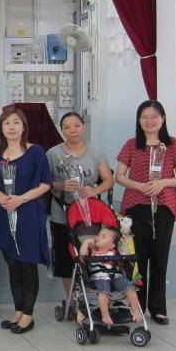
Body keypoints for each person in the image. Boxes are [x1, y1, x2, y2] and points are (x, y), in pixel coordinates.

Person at [115, 100, 176, 326]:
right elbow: (119, 176)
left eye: (154, 116)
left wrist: (162, 183)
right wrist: (138, 186)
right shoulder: (131, 145)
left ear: (162, 119)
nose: (149, 121)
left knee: (160, 258)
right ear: (139, 121)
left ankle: (158, 308)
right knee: (138, 259)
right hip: (137, 206)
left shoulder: (173, 144)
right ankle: (137, 306)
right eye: (144, 117)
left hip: (164, 207)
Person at [0, 108, 52, 334]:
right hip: (3, 214)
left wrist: (21, 199)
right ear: (1, 128)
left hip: (28, 214)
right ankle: (18, 310)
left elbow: (45, 183)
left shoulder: (35, 152)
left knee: (27, 263)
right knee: (12, 264)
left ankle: (28, 315)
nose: (12, 127)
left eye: (16, 122)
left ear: (24, 126)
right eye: (7, 123)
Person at [46, 112, 114, 311]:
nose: (72, 130)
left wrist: (94, 190)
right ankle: (72, 301)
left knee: (92, 256)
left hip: (90, 217)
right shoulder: (53, 154)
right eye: (67, 127)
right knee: (65, 259)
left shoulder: (96, 152)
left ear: (83, 127)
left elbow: (109, 180)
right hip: (62, 214)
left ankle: (92, 299)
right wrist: (60, 185)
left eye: (76, 125)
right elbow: (44, 182)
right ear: (62, 130)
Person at [79, 226, 144, 324]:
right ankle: (105, 315)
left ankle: (136, 311)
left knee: (130, 288)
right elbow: (82, 257)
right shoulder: (92, 252)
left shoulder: (114, 253)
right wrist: (86, 242)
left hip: (116, 277)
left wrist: (125, 244)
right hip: (100, 278)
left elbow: (124, 258)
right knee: (104, 291)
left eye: (103, 236)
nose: (98, 237)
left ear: (111, 245)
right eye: (99, 235)